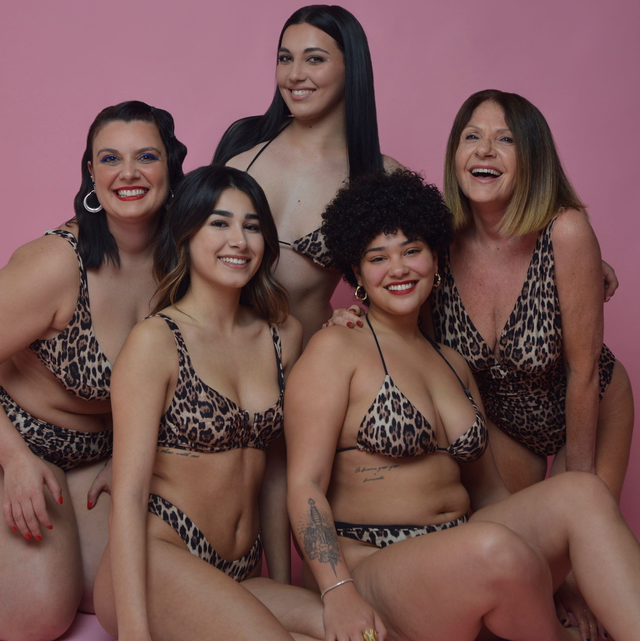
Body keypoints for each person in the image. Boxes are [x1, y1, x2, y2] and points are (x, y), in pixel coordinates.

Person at [286, 169, 640, 641]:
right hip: (373, 564)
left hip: (461, 545)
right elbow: (305, 485)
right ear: (357, 272)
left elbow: (489, 492)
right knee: (494, 549)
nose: (398, 268)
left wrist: (562, 572)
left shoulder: (452, 362)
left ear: (435, 257)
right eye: (378, 258)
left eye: (412, 250)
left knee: (584, 492)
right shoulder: (336, 349)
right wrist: (338, 590)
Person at [329, 90, 633, 500]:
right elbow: (396, 298)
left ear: (533, 156)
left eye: (505, 139)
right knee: (507, 534)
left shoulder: (566, 232)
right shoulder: (437, 243)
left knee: (581, 525)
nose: (485, 150)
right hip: (503, 424)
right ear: (455, 154)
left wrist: (580, 496)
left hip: (590, 404)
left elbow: (584, 371)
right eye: (471, 136)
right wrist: (356, 321)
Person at [93, 165, 323, 641]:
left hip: (239, 574)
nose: (239, 240)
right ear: (186, 234)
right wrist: (135, 633)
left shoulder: (284, 336)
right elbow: (129, 495)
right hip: (157, 563)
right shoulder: (156, 341)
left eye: (252, 226)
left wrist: (280, 583)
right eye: (219, 223)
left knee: (353, 630)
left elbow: (275, 471)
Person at [0, 100, 187, 640]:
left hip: (97, 457)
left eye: (146, 157)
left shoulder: (183, 263)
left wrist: (352, 320)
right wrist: (13, 460)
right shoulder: (56, 264)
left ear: (171, 167)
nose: (128, 173)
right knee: (39, 615)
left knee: (120, 594)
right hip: (16, 444)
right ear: (91, 173)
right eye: (110, 159)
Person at [213, 4, 401, 345]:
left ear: (351, 67)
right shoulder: (243, 146)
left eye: (314, 59)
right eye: (285, 59)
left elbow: (403, 283)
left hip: (306, 362)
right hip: (221, 357)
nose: (295, 75)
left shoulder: (379, 175)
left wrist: (359, 320)